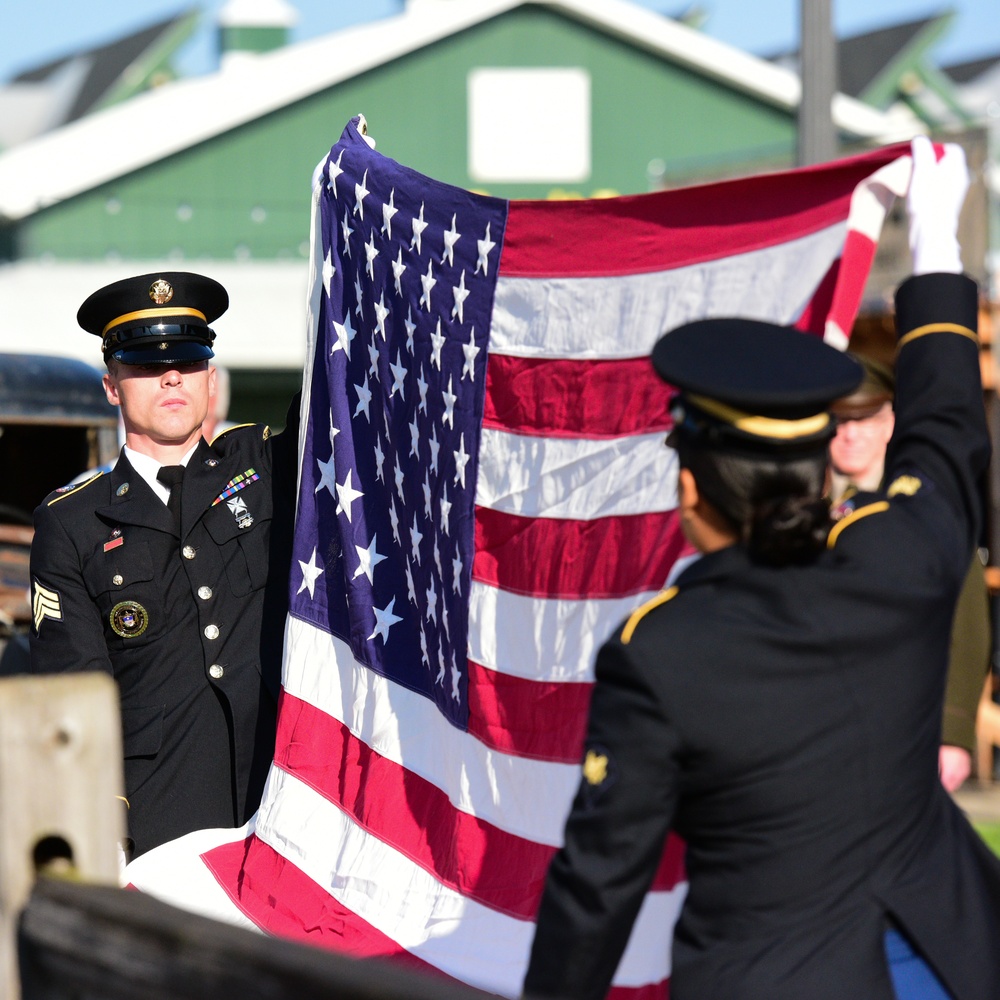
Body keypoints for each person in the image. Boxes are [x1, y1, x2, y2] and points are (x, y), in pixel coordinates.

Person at [522, 137, 1000, 1000]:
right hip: (949, 965)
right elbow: (947, 430)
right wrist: (938, 252)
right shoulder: (902, 555)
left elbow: (601, 883)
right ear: (816, 468)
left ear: (692, 481)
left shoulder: (661, 651)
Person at [29, 272, 297, 858]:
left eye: (189, 358)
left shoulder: (268, 471)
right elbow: (77, 694)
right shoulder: (74, 522)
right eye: (147, 365)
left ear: (210, 377)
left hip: (284, 810)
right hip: (157, 824)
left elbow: (347, 378)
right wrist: (108, 831)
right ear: (112, 387)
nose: (171, 375)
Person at [829, 355, 992, 791]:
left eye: (864, 419)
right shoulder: (801, 510)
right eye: (839, 420)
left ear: (889, 424)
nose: (849, 433)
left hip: (906, 725)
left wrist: (953, 732)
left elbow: (966, 623)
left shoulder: (926, 508)